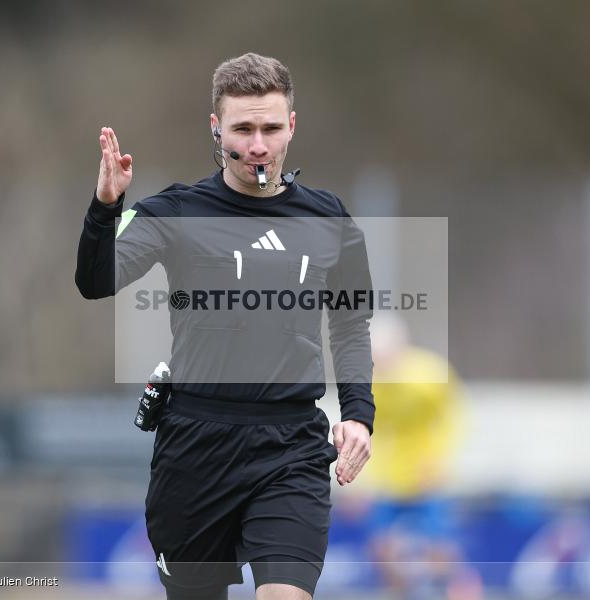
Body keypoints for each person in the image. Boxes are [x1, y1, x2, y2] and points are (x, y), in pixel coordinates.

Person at [75, 53, 374, 600]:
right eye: (242, 129)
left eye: (270, 128)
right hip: (196, 446)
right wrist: (106, 207)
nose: (257, 144)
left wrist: (358, 414)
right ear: (216, 130)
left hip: (292, 447)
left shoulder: (329, 217)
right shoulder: (177, 211)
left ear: (291, 127)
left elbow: (351, 323)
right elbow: (96, 281)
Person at [357, 313, 481, 600]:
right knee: (382, 551)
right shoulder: (369, 383)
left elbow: (454, 419)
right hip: (390, 480)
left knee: (440, 549)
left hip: (428, 478)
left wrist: (439, 460)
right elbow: (367, 430)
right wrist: (361, 477)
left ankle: (463, 590)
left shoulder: (428, 376)